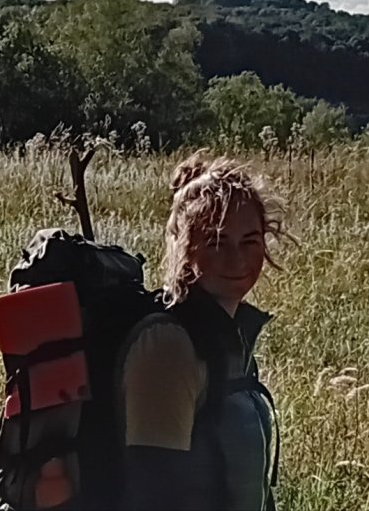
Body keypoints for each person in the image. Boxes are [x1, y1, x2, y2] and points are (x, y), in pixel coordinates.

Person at [114, 152, 286, 511]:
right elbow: (153, 495)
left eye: (250, 241)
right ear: (185, 246)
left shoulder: (229, 337)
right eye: (217, 242)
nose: (237, 259)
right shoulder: (168, 347)